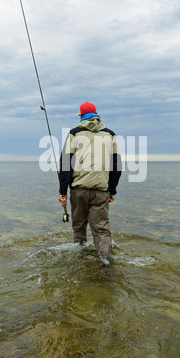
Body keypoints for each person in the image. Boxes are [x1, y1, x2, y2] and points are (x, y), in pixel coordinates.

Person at [58, 102, 122, 263]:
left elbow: (65, 164)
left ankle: (80, 260)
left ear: (81, 116)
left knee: (79, 228)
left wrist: (63, 191)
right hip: (101, 191)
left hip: (78, 190)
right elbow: (117, 165)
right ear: (97, 115)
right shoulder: (110, 135)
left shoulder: (74, 133)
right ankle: (106, 261)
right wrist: (112, 190)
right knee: (101, 230)